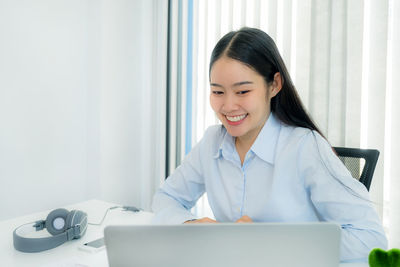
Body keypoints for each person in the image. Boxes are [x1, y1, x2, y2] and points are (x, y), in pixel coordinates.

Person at [151, 27, 387, 262]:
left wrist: (270, 243)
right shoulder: (212, 143)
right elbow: (166, 198)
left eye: (243, 91)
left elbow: (369, 237)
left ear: (274, 85)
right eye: (218, 92)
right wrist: (189, 224)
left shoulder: (305, 148)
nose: (228, 105)